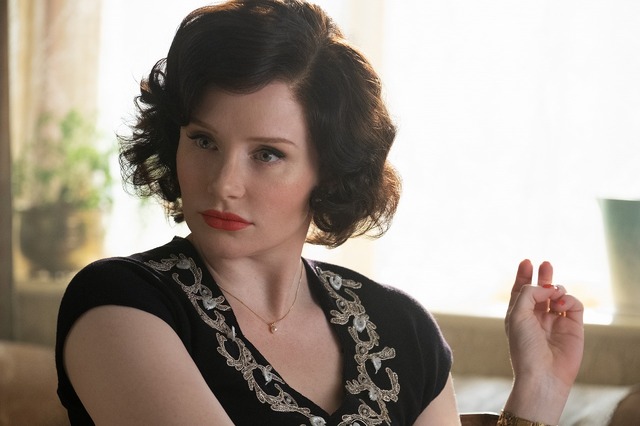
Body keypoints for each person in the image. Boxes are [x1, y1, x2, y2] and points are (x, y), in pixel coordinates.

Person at [55, 1, 584, 425]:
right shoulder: (119, 306)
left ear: (329, 171)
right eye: (203, 141)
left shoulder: (403, 330)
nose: (224, 183)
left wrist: (538, 393)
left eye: (267, 154)